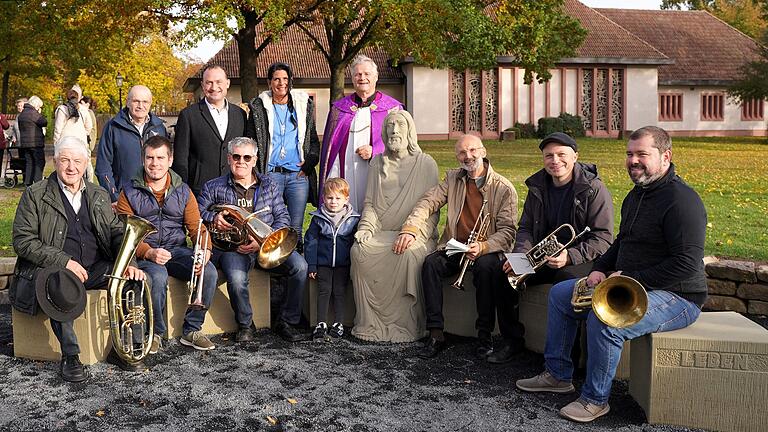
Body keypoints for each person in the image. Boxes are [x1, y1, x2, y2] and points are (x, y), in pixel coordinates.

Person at [516, 126, 708, 423]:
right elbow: (620, 242)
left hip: (679, 296)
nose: (633, 161)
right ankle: (557, 376)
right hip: (633, 282)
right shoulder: (637, 195)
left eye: (642, 154)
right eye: (630, 154)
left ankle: (596, 399)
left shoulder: (682, 201)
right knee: (559, 294)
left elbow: (686, 263)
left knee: (606, 319)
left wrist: (627, 277)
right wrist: (599, 270)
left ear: (666, 156)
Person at [10, 136, 146, 382]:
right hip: (57, 270)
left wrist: (129, 263)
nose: (71, 167)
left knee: (132, 281)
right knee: (60, 285)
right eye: (65, 160)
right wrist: (63, 261)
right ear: (54, 161)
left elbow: (117, 233)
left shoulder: (98, 193)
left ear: (86, 164)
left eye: (77, 161)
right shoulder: (35, 194)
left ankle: (125, 348)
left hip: (94, 267)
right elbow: (23, 240)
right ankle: (70, 356)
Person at [395, 134, 519, 360]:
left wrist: (483, 246)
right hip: (457, 246)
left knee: (485, 268)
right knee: (431, 264)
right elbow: (428, 202)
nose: (468, 156)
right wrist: (410, 228)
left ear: (483, 151)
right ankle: (436, 334)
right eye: (462, 152)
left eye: (472, 150)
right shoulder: (453, 179)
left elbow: (508, 232)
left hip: (486, 249)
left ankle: (484, 336)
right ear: (457, 156)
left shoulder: (503, 188)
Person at [198, 137, 308, 343]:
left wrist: (263, 241)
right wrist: (214, 218)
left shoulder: (270, 185)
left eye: (247, 157)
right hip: (234, 249)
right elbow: (198, 212)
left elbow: (282, 217)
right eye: (236, 157)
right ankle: (246, 324)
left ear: (255, 160)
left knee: (300, 267)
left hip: (266, 245)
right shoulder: (213, 186)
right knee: (237, 278)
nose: (241, 161)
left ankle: (286, 321)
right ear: (229, 158)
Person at [115, 135, 218, 353]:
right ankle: (156, 333)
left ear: (170, 160)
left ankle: (192, 330)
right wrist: (149, 252)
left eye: (160, 157)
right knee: (158, 277)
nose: (155, 163)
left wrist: (205, 249)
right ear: (143, 160)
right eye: (150, 158)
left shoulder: (183, 191)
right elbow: (123, 233)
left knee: (208, 272)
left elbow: (196, 227)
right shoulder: (128, 192)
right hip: (145, 253)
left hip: (177, 250)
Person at [350, 110, 439, 343]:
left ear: (410, 130)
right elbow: (369, 203)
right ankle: (369, 323)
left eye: (400, 125)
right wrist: (366, 227)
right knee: (359, 251)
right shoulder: (377, 164)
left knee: (408, 255)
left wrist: (415, 234)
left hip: (414, 233)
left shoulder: (426, 164)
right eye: (389, 125)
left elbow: (432, 209)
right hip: (382, 231)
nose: (394, 130)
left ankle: (408, 326)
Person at [504, 132, 613, 287]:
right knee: (501, 273)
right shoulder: (537, 186)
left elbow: (603, 238)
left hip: (582, 258)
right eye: (549, 156)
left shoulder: (593, 188)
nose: (555, 160)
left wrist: (570, 256)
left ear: (575, 157)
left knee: (564, 279)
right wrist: (521, 256)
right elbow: (526, 228)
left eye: (562, 154)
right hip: (544, 258)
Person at [247, 62, 320, 251]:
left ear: (290, 81)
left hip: (298, 175)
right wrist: (257, 171)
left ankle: (297, 270)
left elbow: (313, 141)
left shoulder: (303, 106)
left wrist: (308, 164)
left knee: (295, 227)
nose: (281, 83)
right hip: (271, 175)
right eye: (277, 79)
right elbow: (250, 141)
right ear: (270, 82)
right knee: (270, 225)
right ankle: (273, 270)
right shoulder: (258, 108)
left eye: (285, 79)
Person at [319, 54, 403, 212]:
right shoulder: (339, 108)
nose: (362, 78)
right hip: (345, 169)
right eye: (357, 74)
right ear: (352, 78)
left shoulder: (393, 108)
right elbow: (330, 148)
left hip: (379, 170)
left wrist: (375, 150)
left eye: (367, 74)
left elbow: (402, 143)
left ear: (376, 77)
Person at [172, 65, 248, 196]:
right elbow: (180, 159)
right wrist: (182, 191)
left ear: (227, 83)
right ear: (202, 85)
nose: (214, 87)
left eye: (219, 82)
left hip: (234, 190)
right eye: (209, 82)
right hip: (199, 191)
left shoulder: (240, 114)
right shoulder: (188, 115)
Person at [305, 177, 360, 340]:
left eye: (338, 198)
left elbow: (354, 243)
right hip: (323, 264)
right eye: (329, 198)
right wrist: (312, 265)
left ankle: (338, 323)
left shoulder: (352, 219)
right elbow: (311, 242)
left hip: (343, 264)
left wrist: (353, 265)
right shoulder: (318, 218)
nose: (333, 202)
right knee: (324, 291)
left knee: (339, 292)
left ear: (346, 199)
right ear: (323, 198)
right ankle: (320, 323)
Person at [96, 85, 167, 202]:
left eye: (145, 102)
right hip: (124, 198)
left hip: (154, 199)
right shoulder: (113, 127)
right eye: (136, 101)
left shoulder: (159, 128)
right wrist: (115, 197)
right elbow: (103, 167)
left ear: (150, 104)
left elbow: (165, 163)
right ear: (128, 102)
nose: (141, 106)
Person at [54, 86, 93, 180]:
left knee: (66, 167)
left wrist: (56, 145)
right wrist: (83, 134)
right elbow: (89, 126)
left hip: (65, 142)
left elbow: (58, 129)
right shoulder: (84, 110)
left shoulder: (62, 109)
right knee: (84, 164)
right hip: (81, 142)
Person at [16, 96, 47, 186]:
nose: (39, 108)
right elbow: (44, 122)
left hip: (25, 144)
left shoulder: (22, 114)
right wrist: (39, 113)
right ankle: (37, 183)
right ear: (35, 105)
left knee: (29, 163)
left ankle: (28, 183)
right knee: (39, 162)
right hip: (35, 143)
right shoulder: (33, 113)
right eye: (39, 106)